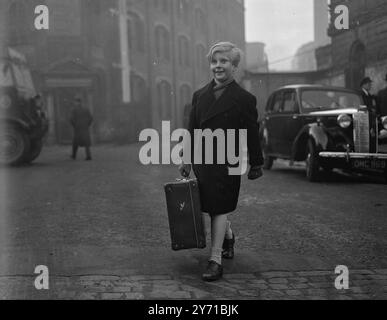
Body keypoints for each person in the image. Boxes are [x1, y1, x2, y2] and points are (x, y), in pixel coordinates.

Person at [179, 42, 264, 281]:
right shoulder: (199, 96)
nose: (218, 66)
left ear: (234, 66)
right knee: (211, 205)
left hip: (229, 161)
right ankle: (228, 236)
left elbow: (252, 132)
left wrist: (256, 163)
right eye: (214, 61)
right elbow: (192, 130)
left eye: (224, 61)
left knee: (219, 206)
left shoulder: (244, 99)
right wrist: (186, 158)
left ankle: (215, 260)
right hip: (204, 160)